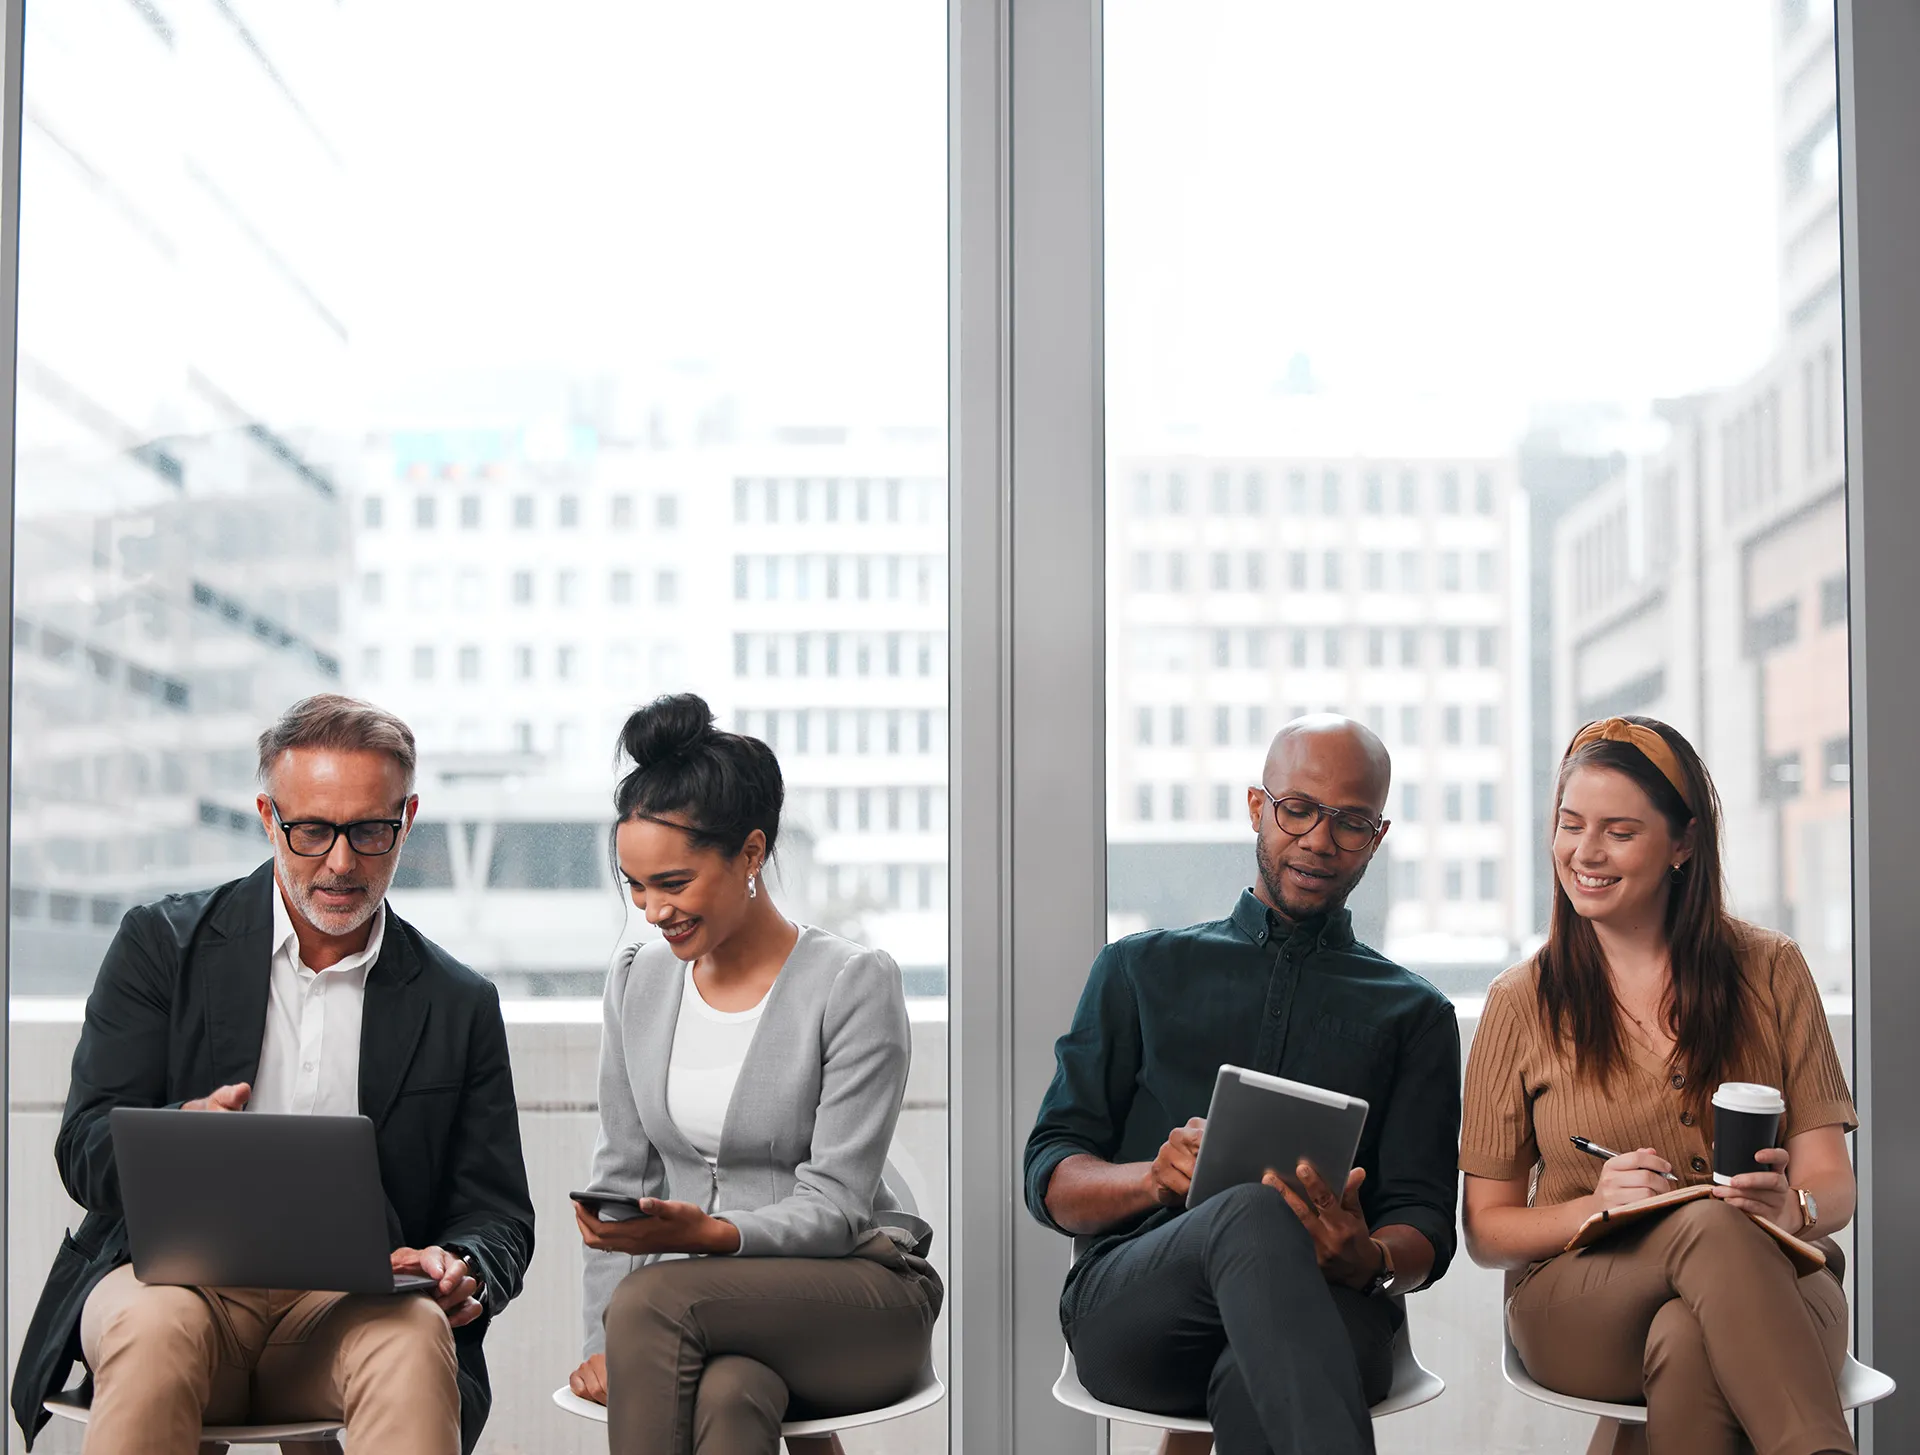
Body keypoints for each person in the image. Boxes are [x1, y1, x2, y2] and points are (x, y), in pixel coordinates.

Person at [9, 695, 535, 1455]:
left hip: (349, 1314)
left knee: (418, 1333)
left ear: (408, 818)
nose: (343, 862)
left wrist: (463, 1267)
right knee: (152, 1328)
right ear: (267, 815)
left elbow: (498, 1215)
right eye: (313, 829)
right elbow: (83, 1147)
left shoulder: (458, 1002)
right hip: (172, 1292)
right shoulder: (162, 946)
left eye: (370, 830)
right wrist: (178, 1134)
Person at [1024, 715, 1460, 1455]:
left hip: (1331, 1305)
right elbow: (1052, 1180)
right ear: (1260, 808)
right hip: (1140, 1307)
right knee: (1253, 1210)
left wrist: (1372, 1256)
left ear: (1377, 837)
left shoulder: (1414, 1013)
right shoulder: (1138, 968)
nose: (1320, 841)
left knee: (1258, 1384)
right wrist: (1151, 1181)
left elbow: (1424, 1218)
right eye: (1298, 810)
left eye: (1351, 823)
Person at [1461, 715, 1857, 1455]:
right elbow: (1487, 1228)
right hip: (1582, 1300)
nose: (1585, 852)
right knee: (1708, 1223)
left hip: (1778, 1286)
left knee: (1687, 1333)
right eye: (1570, 824)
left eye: (1618, 831)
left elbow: (1833, 1182)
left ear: (1683, 843)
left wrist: (1795, 1204)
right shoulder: (1520, 1001)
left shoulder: (1772, 970)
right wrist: (1595, 1205)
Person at [567, 693, 941, 1454]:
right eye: (635, 886)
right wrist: (602, 1338)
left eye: (673, 882)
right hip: (706, 1309)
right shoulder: (638, 981)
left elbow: (836, 1208)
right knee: (734, 1395)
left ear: (750, 853)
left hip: (858, 1293)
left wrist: (711, 1233)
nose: (652, 910)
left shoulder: (852, 982)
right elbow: (621, 1169)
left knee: (649, 1306)